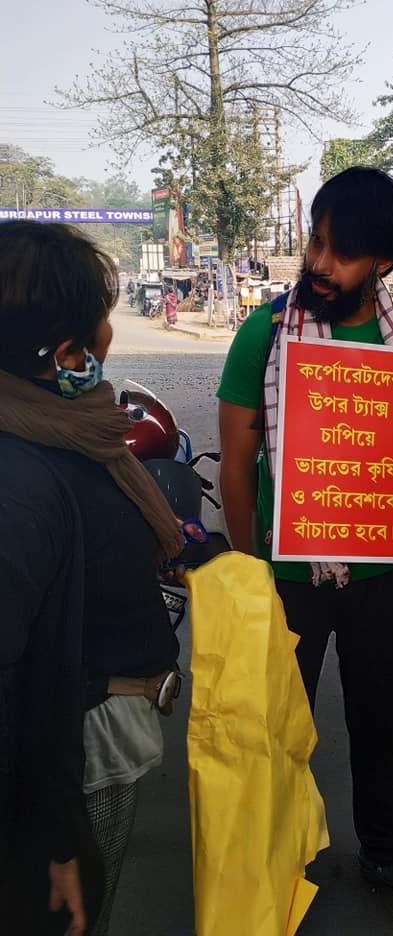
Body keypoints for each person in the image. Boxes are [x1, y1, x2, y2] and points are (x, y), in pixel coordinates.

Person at [217, 166, 393, 912]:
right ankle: (274, 863)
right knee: (276, 731)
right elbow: (236, 464)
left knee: (381, 723)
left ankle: (387, 854)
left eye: (340, 253)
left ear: (383, 263)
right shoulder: (266, 335)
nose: (319, 264)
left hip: (381, 582)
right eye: (316, 242)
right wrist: (246, 573)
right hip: (285, 579)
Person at [0, 221, 184, 935]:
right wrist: (53, 838)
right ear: (67, 350)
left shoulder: (67, 423)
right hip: (72, 752)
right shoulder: (20, 477)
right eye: (101, 317)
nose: (112, 332)